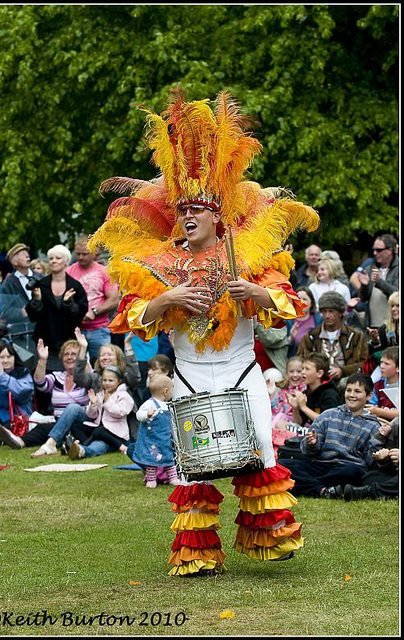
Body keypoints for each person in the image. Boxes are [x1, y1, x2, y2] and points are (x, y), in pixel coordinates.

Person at [87, 90, 320, 575]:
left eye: (198, 211)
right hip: (190, 378)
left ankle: (268, 542)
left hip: (242, 373)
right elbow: (129, 317)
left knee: (259, 452)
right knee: (195, 467)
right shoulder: (159, 263)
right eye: (182, 211)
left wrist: (253, 293)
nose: (188, 217)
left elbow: (289, 307)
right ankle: (196, 557)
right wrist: (167, 299)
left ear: (217, 215)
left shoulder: (250, 256)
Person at [27, 327, 140, 457]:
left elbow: (135, 376)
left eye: (109, 354)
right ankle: (51, 444)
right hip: (96, 425)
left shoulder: (124, 380)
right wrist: (83, 349)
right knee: (73, 408)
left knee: (98, 446)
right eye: (102, 355)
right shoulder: (96, 377)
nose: (105, 357)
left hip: (115, 431)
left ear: (118, 358)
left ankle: (81, 449)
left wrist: (128, 346)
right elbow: (79, 378)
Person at [280, 373, 381, 498]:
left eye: (357, 391)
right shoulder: (328, 415)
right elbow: (307, 451)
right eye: (348, 390)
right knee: (283, 465)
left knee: (352, 472)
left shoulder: (374, 425)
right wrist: (311, 443)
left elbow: (370, 462)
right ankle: (324, 490)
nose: (351, 395)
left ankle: (307, 486)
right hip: (322, 464)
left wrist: (378, 455)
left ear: (369, 395)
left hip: (346, 468)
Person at [0, 338, 89, 451]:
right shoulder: (57, 376)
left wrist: (83, 348)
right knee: (43, 428)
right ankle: (20, 441)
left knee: (72, 408)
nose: (69, 357)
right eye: (66, 354)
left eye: (73, 354)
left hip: (81, 422)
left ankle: (52, 444)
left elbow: (84, 374)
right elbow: (40, 383)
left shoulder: (86, 376)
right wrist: (42, 360)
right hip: (59, 422)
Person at [25, 244, 88, 371]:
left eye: (58, 258)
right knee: (43, 381)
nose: (53, 261)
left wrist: (68, 303)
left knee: (70, 378)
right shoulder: (41, 285)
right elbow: (32, 316)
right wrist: (37, 300)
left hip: (68, 343)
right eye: (51, 258)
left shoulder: (75, 286)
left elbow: (80, 314)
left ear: (66, 261)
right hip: (45, 342)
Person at [297, 291, 368, 387]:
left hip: (347, 383)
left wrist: (342, 370)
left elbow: (364, 363)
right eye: (324, 311)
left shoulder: (355, 336)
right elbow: (301, 360)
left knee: (344, 384)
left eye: (331, 311)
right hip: (317, 383)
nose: (327, 315)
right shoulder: (311, 337)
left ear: (340, 313)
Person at [66, 235, 120, 361]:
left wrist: (95, 312)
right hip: (76, 329)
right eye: (77, 253)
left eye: (84, 254)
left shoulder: (104, 271)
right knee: (76, 366)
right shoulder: (68, 272)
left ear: (94, 252)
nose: (80, 257)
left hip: (99, 329)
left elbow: (113, 299)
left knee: (103, 364)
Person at [68, 365, 134, 460]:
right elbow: (92, 415)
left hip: (116, 434)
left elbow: (120, 413)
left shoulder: (124, 396)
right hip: (99, 430)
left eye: (110, 380)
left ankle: (121, 447)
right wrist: (93, 404)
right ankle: (82, 446)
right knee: (76, 425)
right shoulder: (101, 394)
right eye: (104, 380)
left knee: (100, 432)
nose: (107, 383)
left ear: (119, 381)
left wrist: (107, 402)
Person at [126, 374, 180, 488]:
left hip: (165, 439)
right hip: (152, 441)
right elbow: (139, 415)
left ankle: (173, 477)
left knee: (169, 458)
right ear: (166, 391)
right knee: (151, 461)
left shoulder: (167, 405)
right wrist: (147, 414)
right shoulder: (149, 404)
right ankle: (151, 479)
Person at [0, 341, 34, 444]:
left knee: (6, 429)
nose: (5, 361)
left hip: (15, 417)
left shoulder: (23, 373)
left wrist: (3, 376)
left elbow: (22, 393)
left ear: (14, 358)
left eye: (9, 357)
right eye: (1, 357)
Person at [343, 417, 399, 501]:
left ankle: (368, 492)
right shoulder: (396, 424)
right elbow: (371, 460)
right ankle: (388, 490)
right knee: (369, 478)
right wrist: (383, 460)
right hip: (394, 475)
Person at [287, 353, 340, 428]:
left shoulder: (330, 394)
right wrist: (295, 408)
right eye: (302, 368)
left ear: (319, 373)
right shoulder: (306, 393)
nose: (303, 372)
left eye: (307, 369)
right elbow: (299, 423)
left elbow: (327, 422)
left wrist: (304, 407)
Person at [357, 234, 399, 329]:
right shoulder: (369, 268)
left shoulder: (398, 269)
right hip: (372, 326)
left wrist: (379, 282)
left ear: (390, 250)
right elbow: (363, 299)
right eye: (374, 250)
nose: (375, 253)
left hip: (393, 325)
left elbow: (397, 295)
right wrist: (364, 285)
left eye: (379, 250)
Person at [285, 286, 322, 357]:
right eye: (298, 299)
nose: (301, 302)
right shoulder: (287, 321)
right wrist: (291, 338)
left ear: (312, 303)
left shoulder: (319, 320)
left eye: (305, 299)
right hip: (293, 360)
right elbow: (281, 347)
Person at [366, 346, 399, 422]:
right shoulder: (376, 385)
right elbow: (373, 407)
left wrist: (378, 411)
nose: (382, 366)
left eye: (387, 364)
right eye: (381, 362)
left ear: (398, 368)